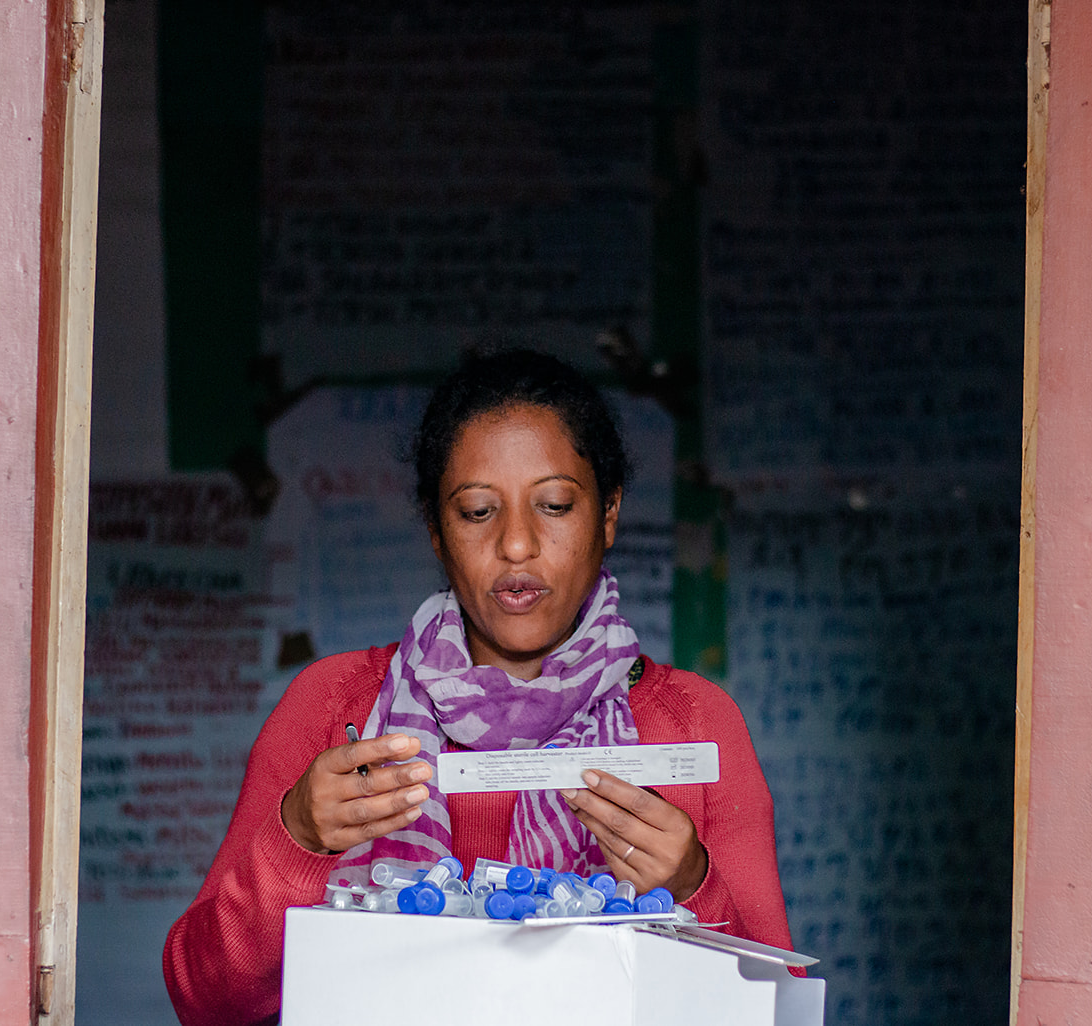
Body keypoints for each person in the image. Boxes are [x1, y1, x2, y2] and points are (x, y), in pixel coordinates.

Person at [163, 349, 795, 1026]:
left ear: (609, 514)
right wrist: (298, 838)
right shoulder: (335, 707)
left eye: (555, 505)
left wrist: (692, 887)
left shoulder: (695, 724)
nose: (516, 544)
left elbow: (779, 1008)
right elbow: (205, 1003)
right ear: (436, 531)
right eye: (476, 512)